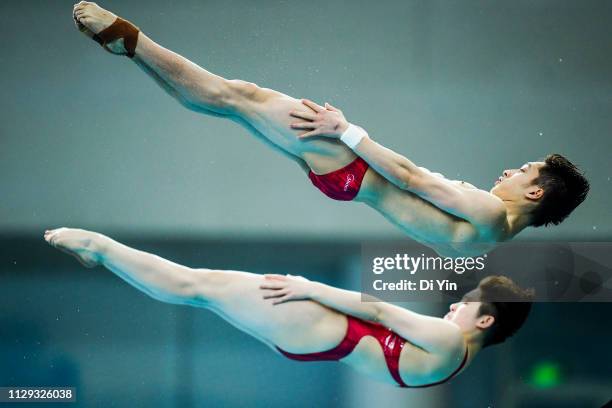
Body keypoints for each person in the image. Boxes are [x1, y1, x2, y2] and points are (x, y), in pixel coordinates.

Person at [71, 2, 589, 257]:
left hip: (351, 165)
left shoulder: (487, 210)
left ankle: (131, 40)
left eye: (524, 169)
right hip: (349, 184)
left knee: (238, 95)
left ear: (537, 191)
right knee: (231, 105)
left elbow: (410, 177)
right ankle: (132, 54)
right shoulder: (489, 237)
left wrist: (346, 130)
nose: (510, 169)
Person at [44, 227, 534, 388]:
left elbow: (380, 312)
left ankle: (98, 247)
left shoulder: (450, 340)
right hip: (317, 343)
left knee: (196, 284)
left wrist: (309, 286)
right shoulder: (455, 366)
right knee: (199, 293)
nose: (453, 304)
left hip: (324, 325)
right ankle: (104, 255)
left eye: (466, 303)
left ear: (486, 319)